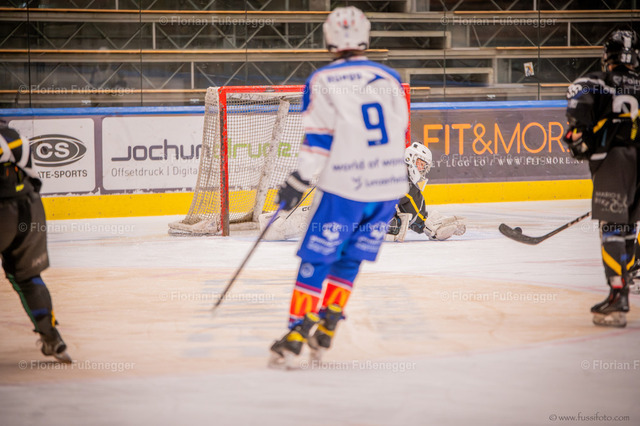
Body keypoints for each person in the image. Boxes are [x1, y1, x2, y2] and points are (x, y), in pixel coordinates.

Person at [268, 6, 409, 367]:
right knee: (350, 259)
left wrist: (297, 182)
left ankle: (297, 332)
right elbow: (400, 130)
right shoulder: (389, 77)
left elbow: (318, 142)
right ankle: (328, 322)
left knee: (316, 258)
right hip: (387, 189)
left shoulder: (323, 80)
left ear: (328, 38)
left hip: (345, 189)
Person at [563, 29, 640, 327]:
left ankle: (617, 297)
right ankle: (625, 283)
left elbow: (576, 130)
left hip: (615, 161)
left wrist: (580, 143)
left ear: (608, 56)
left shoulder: (595, 82)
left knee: (613, 227)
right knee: (629, 227)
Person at [0, 120, 72, 363]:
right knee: (28, 278)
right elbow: (34, 180)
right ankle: (52, 338)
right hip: (30, 209)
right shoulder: (13, 135)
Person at [386, 142, 466, 242]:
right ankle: (427, 225)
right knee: (393, 224)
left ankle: (427, 224)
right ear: (410, 158)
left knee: (396, 223)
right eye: (420, 164)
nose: (421, 168)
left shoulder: (408, 181)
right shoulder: (394, 171)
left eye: (423, 166)